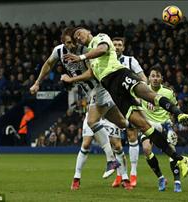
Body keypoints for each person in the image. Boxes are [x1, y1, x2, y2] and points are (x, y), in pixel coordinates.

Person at [63, 27, 188, 190]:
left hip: (120, 75)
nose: (78, 38)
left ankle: (179, 114)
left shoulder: (100, 38)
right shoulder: (91, 56)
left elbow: (103, 49)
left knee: (148, 94)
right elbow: (91, 73)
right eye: (76, 38)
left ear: (87, 32)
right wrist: (72, 79)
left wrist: (80, 56)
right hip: (113, 91)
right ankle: (180, 159)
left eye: (79, 34)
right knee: (144, 127)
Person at [29, 27, 124, 189]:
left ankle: (111, 160)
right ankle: (148, 129)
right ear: (63, 42)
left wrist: (71, 79)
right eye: (68, 43)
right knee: (124, 123)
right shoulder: (59, 51)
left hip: (100, 88)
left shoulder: (85, 50)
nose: (72, 45)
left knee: (92, 121)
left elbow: (92, 73)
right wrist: (37, 82)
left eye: (74, 42)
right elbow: (48, 64)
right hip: (91, 93)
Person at [140, 66, 188, 192]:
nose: (155, 79)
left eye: (158, 76)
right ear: (149, 78)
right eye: (153, 76)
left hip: (165, 124)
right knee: (146, 149)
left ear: (162, 78)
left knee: (171, 151)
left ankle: (177, 181)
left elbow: (174, 108)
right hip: (148, 124)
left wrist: (173, 125)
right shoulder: (142, 90)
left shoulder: (168, 92)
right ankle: (161, 178)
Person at [111, 37, 147, 187]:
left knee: (132, 137)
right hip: (111, 106)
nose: (117, 47)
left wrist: (138, 95)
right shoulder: (104, 60)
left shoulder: (131, 61)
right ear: (111, 47)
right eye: (115, 45)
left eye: (120, 45)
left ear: (123, 48)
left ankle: (133, 174)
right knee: (115, 143)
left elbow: (143, 79)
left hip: (128, 104)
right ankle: (120, 175)